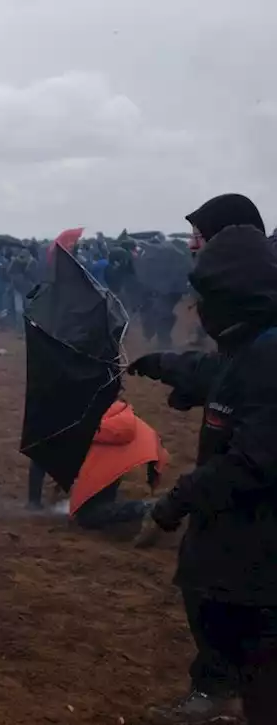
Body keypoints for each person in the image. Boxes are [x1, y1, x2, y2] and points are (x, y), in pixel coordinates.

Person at [128, 192, 277, 725]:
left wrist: (174, 503)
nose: (198, 310)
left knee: (245, 612)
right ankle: (218, 687)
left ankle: (224, 693)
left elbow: (253, 462)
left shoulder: (270, 354)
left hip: (257, 523)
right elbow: (219, 374)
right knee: (206, 582)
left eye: (207, 298)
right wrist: (163, 364)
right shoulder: (253, 342)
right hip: (233, 521)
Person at [25, 400, 168, 541]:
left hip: (105, 461)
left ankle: (145, 507)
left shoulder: (69, 424)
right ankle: (146, 507)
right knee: (101, 500)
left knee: (89, 516)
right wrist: (153, 473)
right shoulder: (111, 409)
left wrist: (34, 501)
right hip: (119, 457)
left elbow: (41, 456)